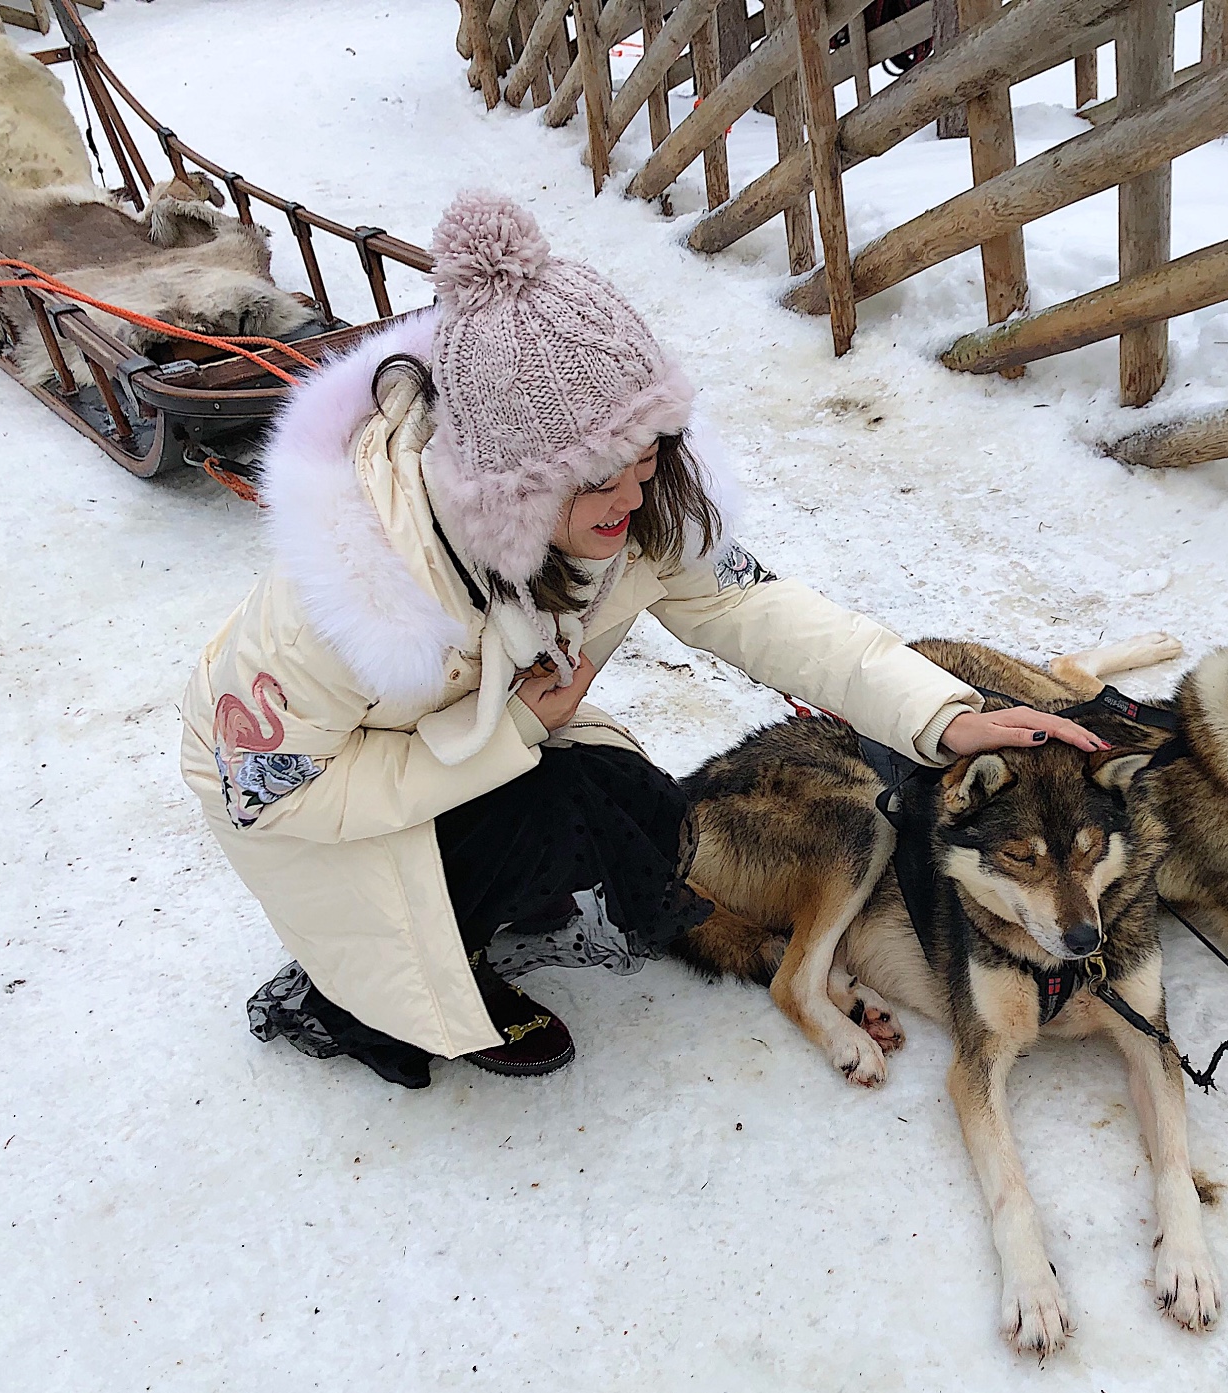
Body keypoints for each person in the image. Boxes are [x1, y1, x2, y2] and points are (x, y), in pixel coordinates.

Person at [180, 190, 1105, 1090]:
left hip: (465, 735)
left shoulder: (629, 512)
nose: (632, 496)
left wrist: (945, 717)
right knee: (545, 822)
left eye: (649, 452)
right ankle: (346, 1005)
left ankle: (488, 903)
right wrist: (509, 739)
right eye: (593, 479)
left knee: (642, 811)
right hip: (300, 791)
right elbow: (279, 795)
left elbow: (758, 611)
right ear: (506, 493)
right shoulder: (348, 596)